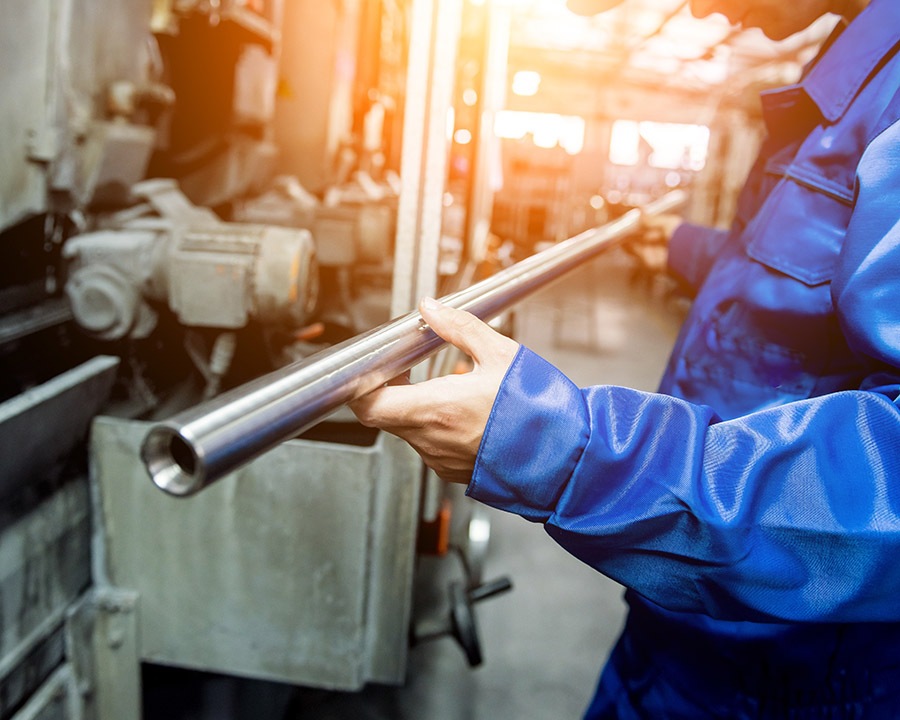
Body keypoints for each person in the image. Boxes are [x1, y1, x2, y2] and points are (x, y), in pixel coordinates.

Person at [351, 0, 900, 716]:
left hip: (798, 670)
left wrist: (566, 450)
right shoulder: (850, 77)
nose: (700, 7)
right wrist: (680, 247)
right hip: (688, 610)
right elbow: (802, 283)